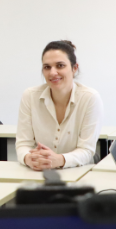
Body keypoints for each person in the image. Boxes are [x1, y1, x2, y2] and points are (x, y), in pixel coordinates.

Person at [16, 40, 104, 170]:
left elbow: (86, 150)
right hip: (39, 172)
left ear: (74, 68)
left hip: (78, 172)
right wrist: (29, 158)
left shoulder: (90, 98)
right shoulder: (30, 96)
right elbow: (23, 144)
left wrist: (60, 160)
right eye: (47, 67)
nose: (52, 73)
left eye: (60, 66)